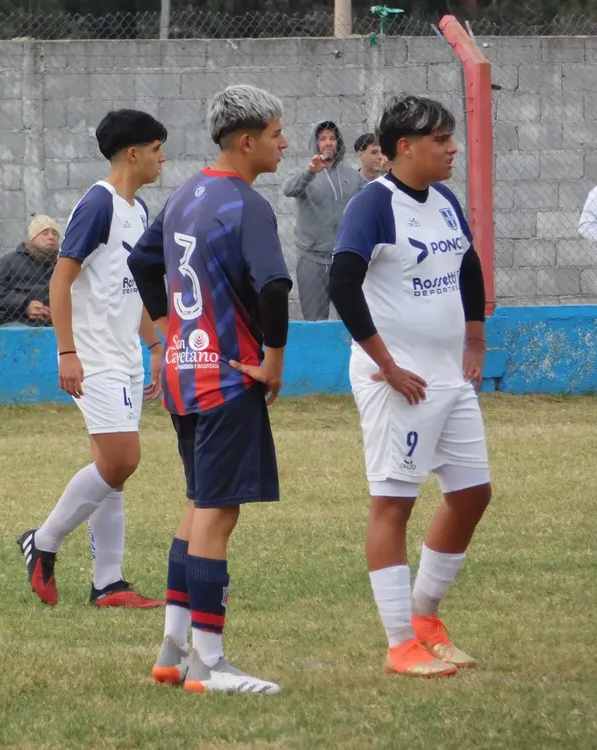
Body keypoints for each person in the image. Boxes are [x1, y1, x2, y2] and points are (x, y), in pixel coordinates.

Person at [127, 85, 292, 694]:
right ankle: (210, 663)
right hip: (226, 375)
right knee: (218, 515)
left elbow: (143, 264)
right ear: (246, 141)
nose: (285, 143)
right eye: (277, 133)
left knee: (198, 504)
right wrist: (272, 360)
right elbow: (274, 285)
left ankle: (173, 650)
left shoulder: (184, 193)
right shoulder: (245, 203)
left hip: (182, 370)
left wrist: (172, 331)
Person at [327, 95, 491, 678]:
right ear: (405, 147)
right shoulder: (373, 205)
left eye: (452, 138)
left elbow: (468, 265)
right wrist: (387, 365)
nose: (453, 149)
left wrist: (474, 340)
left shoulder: (443, 200)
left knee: (472, 493)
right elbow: (341, 282)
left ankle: (426, 619)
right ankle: (400, 643)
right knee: (393, 503)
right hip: (400, 382)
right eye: (442, 140)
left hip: (450, 377)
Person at [17, 109, 168, 609]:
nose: (162, 157)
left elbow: (131, 288)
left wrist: (155, 345)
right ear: (133, 153)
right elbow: (61, 279)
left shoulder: (138, 210)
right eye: (156, 148)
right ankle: (43, 541)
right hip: (95, 357)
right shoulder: (98, 204)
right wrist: (67, 352)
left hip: (125, 356)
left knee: (114, 468)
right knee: (123, 459)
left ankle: (109, 582)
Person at [283, 120, 367, 320]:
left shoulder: (352, 176)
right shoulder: (303, 174)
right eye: (322, 139)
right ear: (315, 143)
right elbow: (289, 189)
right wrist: (310, 172)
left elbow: (371, 198)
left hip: (344, 259)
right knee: (314, 322)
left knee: (350, 321)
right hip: (311, 259)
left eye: (332, 138)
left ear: (338, 143)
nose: (328, 143)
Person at [0, 215, 60, 327]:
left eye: (55, 234)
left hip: (55, 322)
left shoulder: (63, 264)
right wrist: (25, 305)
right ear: (33, 237)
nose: (51, 237)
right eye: (45, 233)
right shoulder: (10, 261)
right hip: (16, 320)